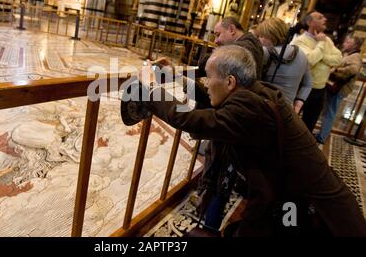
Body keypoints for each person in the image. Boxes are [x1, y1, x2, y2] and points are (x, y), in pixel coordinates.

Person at [135, 45, 366, 236]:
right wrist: (176, 77)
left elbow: (191, 119)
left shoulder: (248, 107)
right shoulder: (253, 91)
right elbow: (212, 96)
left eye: (209, 76)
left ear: (230, 82)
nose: (205, 82)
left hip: (320, 214)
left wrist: (148, 93)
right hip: (291, 199)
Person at [290, 11, 342, 133]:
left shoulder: (327, 40)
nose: (325, 19)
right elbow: (310, 61)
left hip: (320, 90)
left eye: (324, 16)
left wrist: (321, 55)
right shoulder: (300, 41)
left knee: (309, 125)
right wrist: (321, 44)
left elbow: (339, 59)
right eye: (320, 17)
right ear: (309, 22)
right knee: (291, 121)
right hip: (302, 88)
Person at [256, 17, 312, 113]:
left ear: (269, 35)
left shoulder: (264, 52)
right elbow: (308, 84)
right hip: (288, 112)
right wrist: (298, 105)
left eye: (261, 36)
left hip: (263, 107)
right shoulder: (301, 54)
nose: (259, 40)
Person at [315, 35, 363, 144]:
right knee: (328, 111)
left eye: (348, 42)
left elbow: (353, 69)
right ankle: (321, 134)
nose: (344, 43)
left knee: (330, 112)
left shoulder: (355, 56)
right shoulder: (350, 54)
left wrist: (336, 70)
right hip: (336, 88)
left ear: (354, 45)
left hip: (339, 89)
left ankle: (322, 137)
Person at [197, 17, 264, 79]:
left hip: (239, 91)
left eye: (218, 35)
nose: (215, 41)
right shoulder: (252, 43)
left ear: (232, 29)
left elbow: (205, 62)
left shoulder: (242, 47)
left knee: (190, 83)